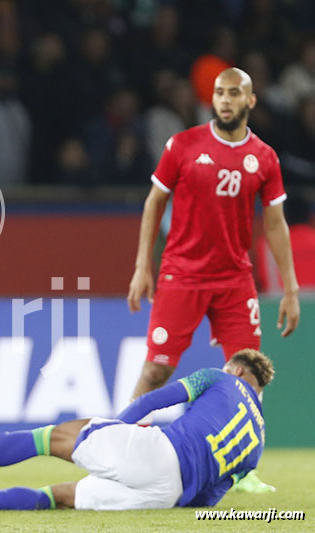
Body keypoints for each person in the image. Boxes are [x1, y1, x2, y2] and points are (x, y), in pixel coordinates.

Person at [126, 68, 298, 494]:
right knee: (156, 370)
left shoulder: (265, 157)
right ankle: (122, 444)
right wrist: (143, 266)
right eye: (220, 92)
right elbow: (154, 203)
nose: (224, 100)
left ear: (250, 101)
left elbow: (275, 223)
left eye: (234, 93)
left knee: (248, 375)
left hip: (235, 279)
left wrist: (290, 288)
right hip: (182, 274)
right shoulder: (183, 145)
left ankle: (242, 469)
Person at [0, 349, 273, 512]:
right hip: (168, 494)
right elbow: (210, 497)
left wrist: (117, 426)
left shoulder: (220, 378)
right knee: (62, 497)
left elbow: (155, 399)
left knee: (48, 439)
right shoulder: (258, 443)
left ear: (238, 371)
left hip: (157, 452)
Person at [256, 194, 315, 292]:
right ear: (310, 217)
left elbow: (260, 281)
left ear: (283, 217)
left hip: (278, 300)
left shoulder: (267, 245)